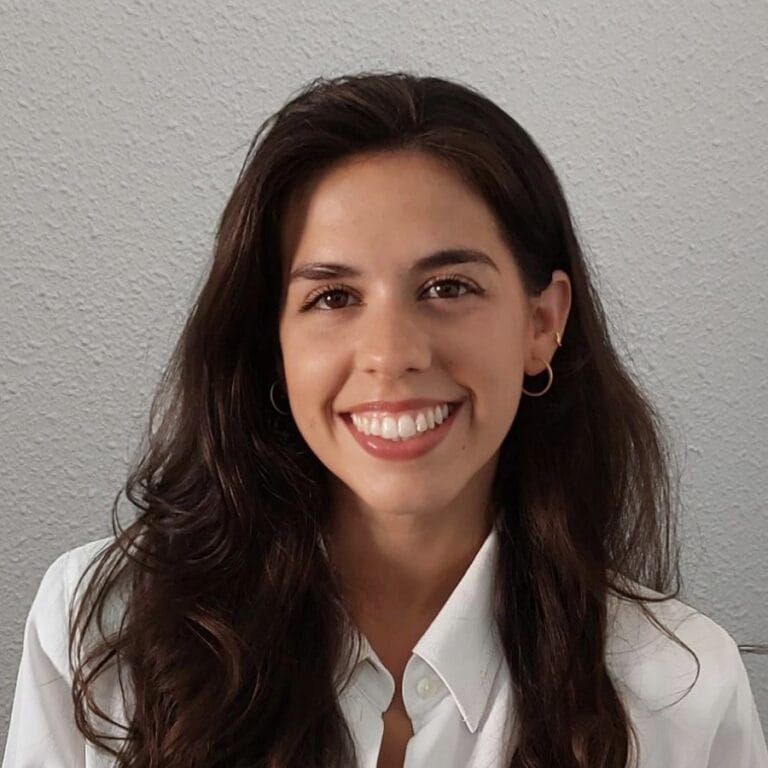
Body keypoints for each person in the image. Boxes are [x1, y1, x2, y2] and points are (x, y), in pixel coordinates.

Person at [3, 71, 767, 768]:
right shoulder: (100, 629)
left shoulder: (678, 690)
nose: (392, 354)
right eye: (332, 298)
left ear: (541, 323)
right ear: (272, 344)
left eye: (447, 287)